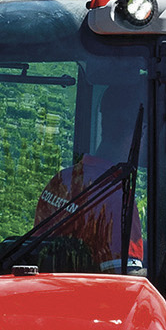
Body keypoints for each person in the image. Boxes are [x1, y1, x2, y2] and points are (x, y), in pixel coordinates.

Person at [34, 86, 145, 271]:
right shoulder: (117, 197)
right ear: (143, 132)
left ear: (103, 122)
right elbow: (126, 281)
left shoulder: (61, 181)